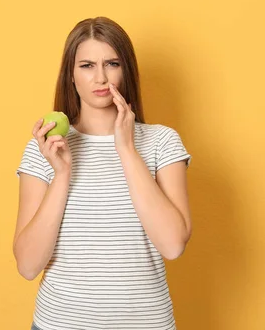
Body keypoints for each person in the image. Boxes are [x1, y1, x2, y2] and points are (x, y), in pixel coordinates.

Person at [13, 17, 192, 330]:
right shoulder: (47, 148)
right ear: (70, 75)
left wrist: (126, 150)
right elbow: (28, 266)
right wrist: (63, 174)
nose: (100, 77)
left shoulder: (161, 141)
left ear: (126, 71)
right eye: (86, 65)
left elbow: (173, 245)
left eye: (111, 63)